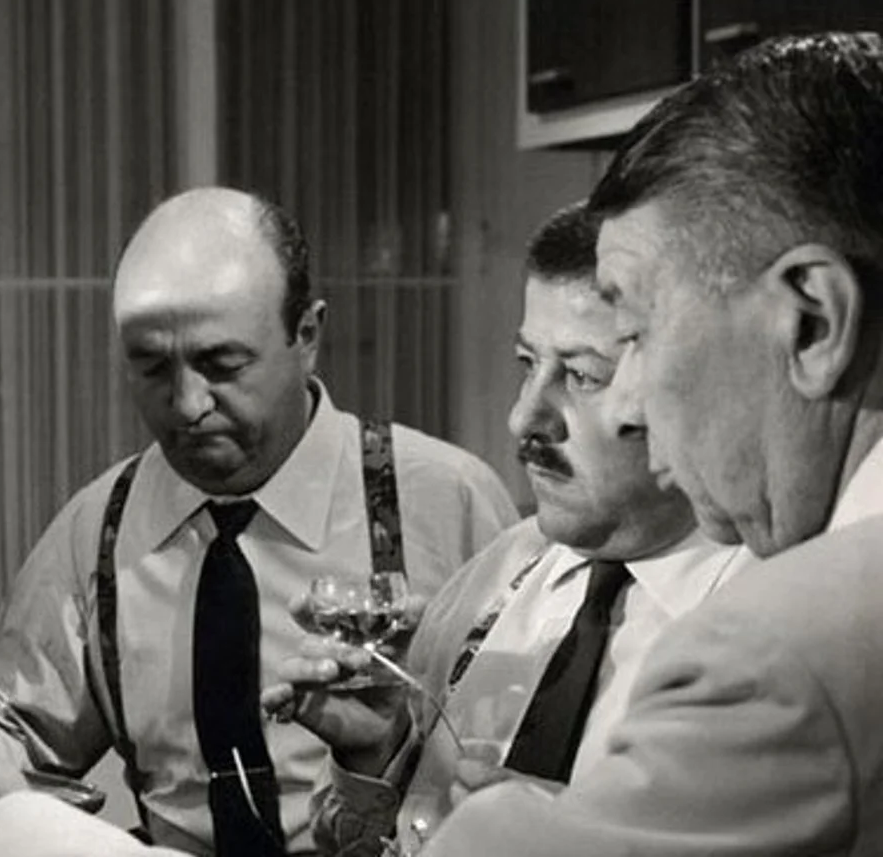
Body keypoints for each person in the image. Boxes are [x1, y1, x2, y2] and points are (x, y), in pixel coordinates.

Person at [0, 186, 518, 855]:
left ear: (307, 334)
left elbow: (520, 771)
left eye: (222, 364)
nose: (186, 404)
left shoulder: (444, 503)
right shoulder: (98, 529)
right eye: (152, 367)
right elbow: (13, 737)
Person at [418, 31, 883, 855]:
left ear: (812, 322)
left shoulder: (771, 656)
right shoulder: (500, 575)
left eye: (634, 333)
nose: (630, 403)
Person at [256, 201, 753, 856]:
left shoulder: (764, 628)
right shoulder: (497, 575)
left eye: (581, 376)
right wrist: (378, 755)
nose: (524, 418)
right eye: (526, 363)